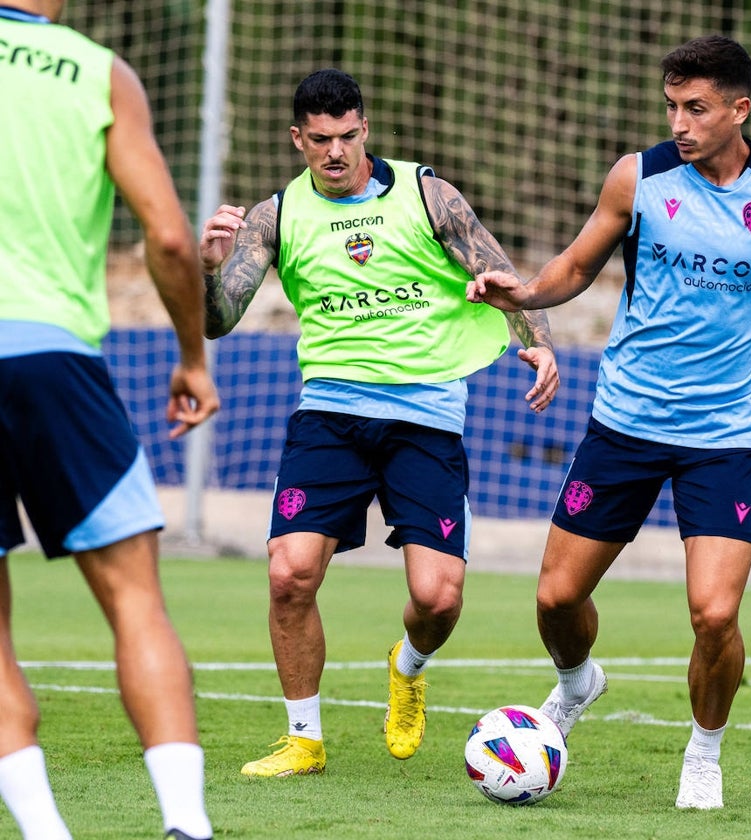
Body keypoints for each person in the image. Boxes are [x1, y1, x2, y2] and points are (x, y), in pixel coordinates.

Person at [468, 34, 751, 809]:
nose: (679, 123)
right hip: (624, 423)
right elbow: (577, 266)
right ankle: (578, 683)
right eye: (672, 107)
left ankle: (704, 753)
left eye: (697, 108)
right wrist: (524, 293)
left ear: (739, 110)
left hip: (726, 437)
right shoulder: (639, 178)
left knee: (715, 613)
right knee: (554, 600)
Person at [200, 68, 558, 778]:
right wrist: (207, 269)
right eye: (320, 140)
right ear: (298, 140)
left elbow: (499, 270)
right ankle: (303, 738)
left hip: (425, 416)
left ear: (365, 129)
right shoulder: (275, 217)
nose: (335, 152)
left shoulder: (430, 196)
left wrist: (536, 339)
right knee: (289, 576)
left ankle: (409, 664)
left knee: (437, 596)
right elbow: (217, 321)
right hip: (329, 414)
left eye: (348, 136)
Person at [0, 3, 221, 839]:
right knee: (135, 602)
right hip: (55, 358)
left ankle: (45, 831)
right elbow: (168, 236)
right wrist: (193, 359)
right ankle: (186, 826)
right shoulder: (98, 72)